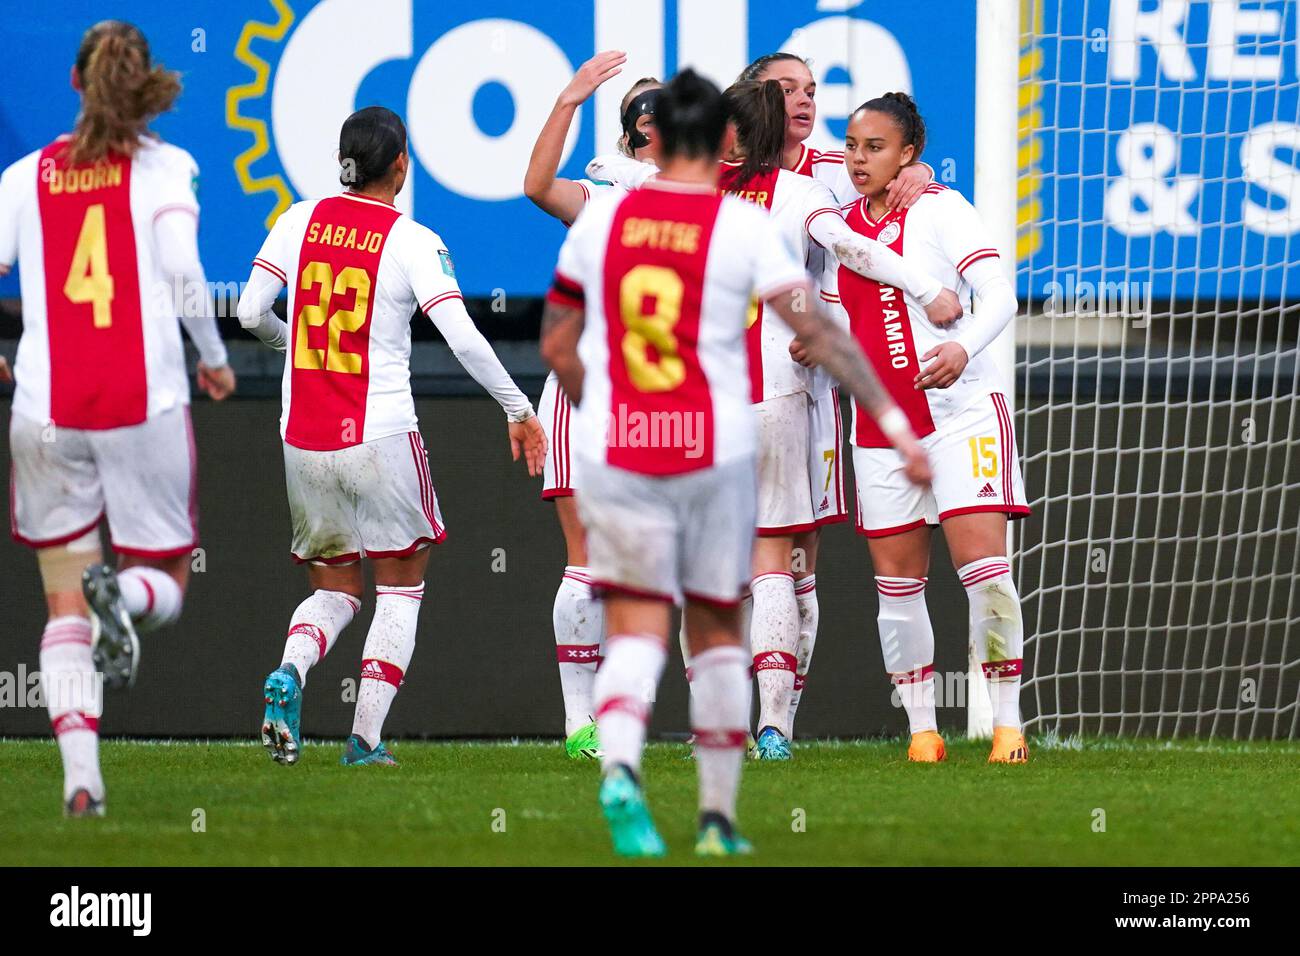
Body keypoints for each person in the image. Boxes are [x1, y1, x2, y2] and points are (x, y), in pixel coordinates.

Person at [540, 69, 932, 857]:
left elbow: (555, 343)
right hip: (714, 444)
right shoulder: (741, 224)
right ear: (721, 135)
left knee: (638, 623)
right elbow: (817, 330)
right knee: (721, 628)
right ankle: (717, 820)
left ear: (654, 134)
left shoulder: (607, 218)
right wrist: (892, 417)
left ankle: (619, 767)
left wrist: (602, 405)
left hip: (620, 444)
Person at [237, 106, 545, 767]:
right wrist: (518, 407)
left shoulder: (298, 219)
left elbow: (248, 310)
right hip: (379, 432)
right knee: (400, 588)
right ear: (401, 164)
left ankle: (291, 671)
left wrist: (290, 343)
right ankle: (364, 740)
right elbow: (460, 333)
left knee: (334, 591)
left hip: (305, 436)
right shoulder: (412, 240)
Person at [0, 20, 234, 817]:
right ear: (146, 87)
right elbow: (182, 268)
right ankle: (126, 599)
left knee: (62, 600)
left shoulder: (25, 176)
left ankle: (82, 783)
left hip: (44, 411)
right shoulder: (167, 167)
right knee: (163, 576)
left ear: (74, 85)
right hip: (141, 406)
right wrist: (213, 354)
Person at [718, 78, 961, 758]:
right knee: (780, 560)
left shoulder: (692, 192)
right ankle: (772, 726)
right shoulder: (807, 194)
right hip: (775, 390)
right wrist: (927, 287)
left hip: (700, 400)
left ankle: (718, 721)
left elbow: (602, 177)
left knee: (717, 564)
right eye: (790, 91)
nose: (805, 101)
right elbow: (856, 249)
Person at [826, 93, 1029, 763]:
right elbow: (834, 315)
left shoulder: (943, 209)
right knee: (897, 588)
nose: (859, 159)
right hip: (882, 427)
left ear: (909, 154)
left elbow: (1001, 294)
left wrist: (963, 347)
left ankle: (1007, 726)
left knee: (985, 574)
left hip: (963, 411)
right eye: (852, 145)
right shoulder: (837, 227)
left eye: (875, 147)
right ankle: (921, 730)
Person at [523, 53, 661, 758]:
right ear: (627, 134)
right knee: (586, 558)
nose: (653, 116)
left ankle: (630, 711)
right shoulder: (602, 193)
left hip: (659, 401)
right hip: (587, 392)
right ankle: (579, 722)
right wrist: (569, 99)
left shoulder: (705, 199)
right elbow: (536, 185)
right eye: (641, 110)